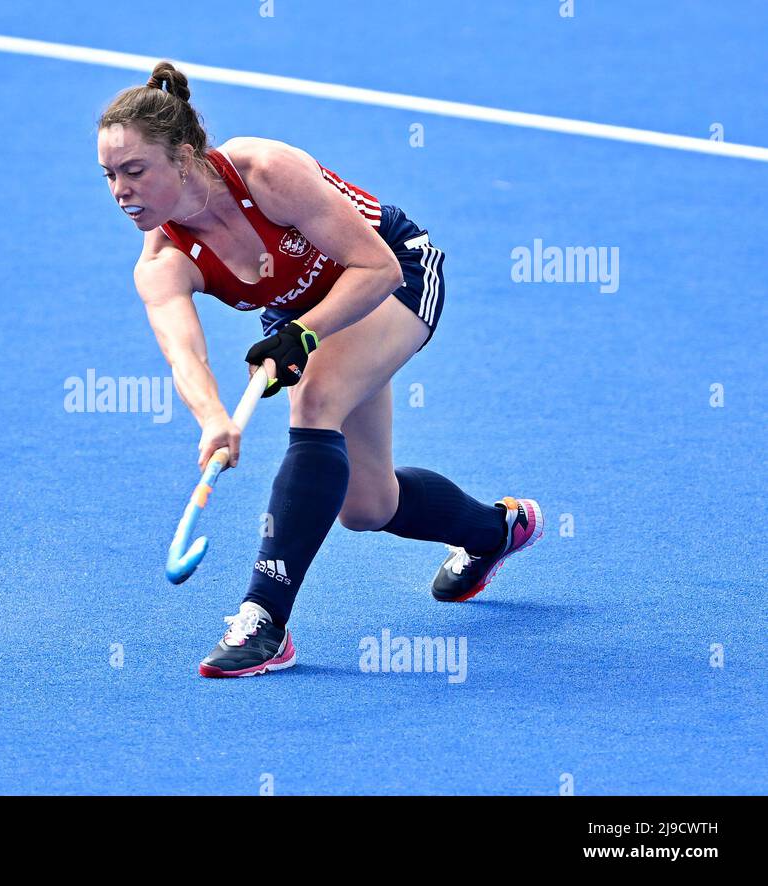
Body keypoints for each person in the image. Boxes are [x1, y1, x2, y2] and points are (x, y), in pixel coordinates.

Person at [97, 61, 542, 678]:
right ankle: (496, 531)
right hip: (310, 321)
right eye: (110, 175)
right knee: (367, 504)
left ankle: (264, 619)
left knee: (315, 404)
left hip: (395, 274)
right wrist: (213, 419)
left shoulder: (264, 172)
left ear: (185, 155)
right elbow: (184, 353)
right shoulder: (162, 261)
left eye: (135, 171)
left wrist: (302, 335)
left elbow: (376, 268)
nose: (121, 191)